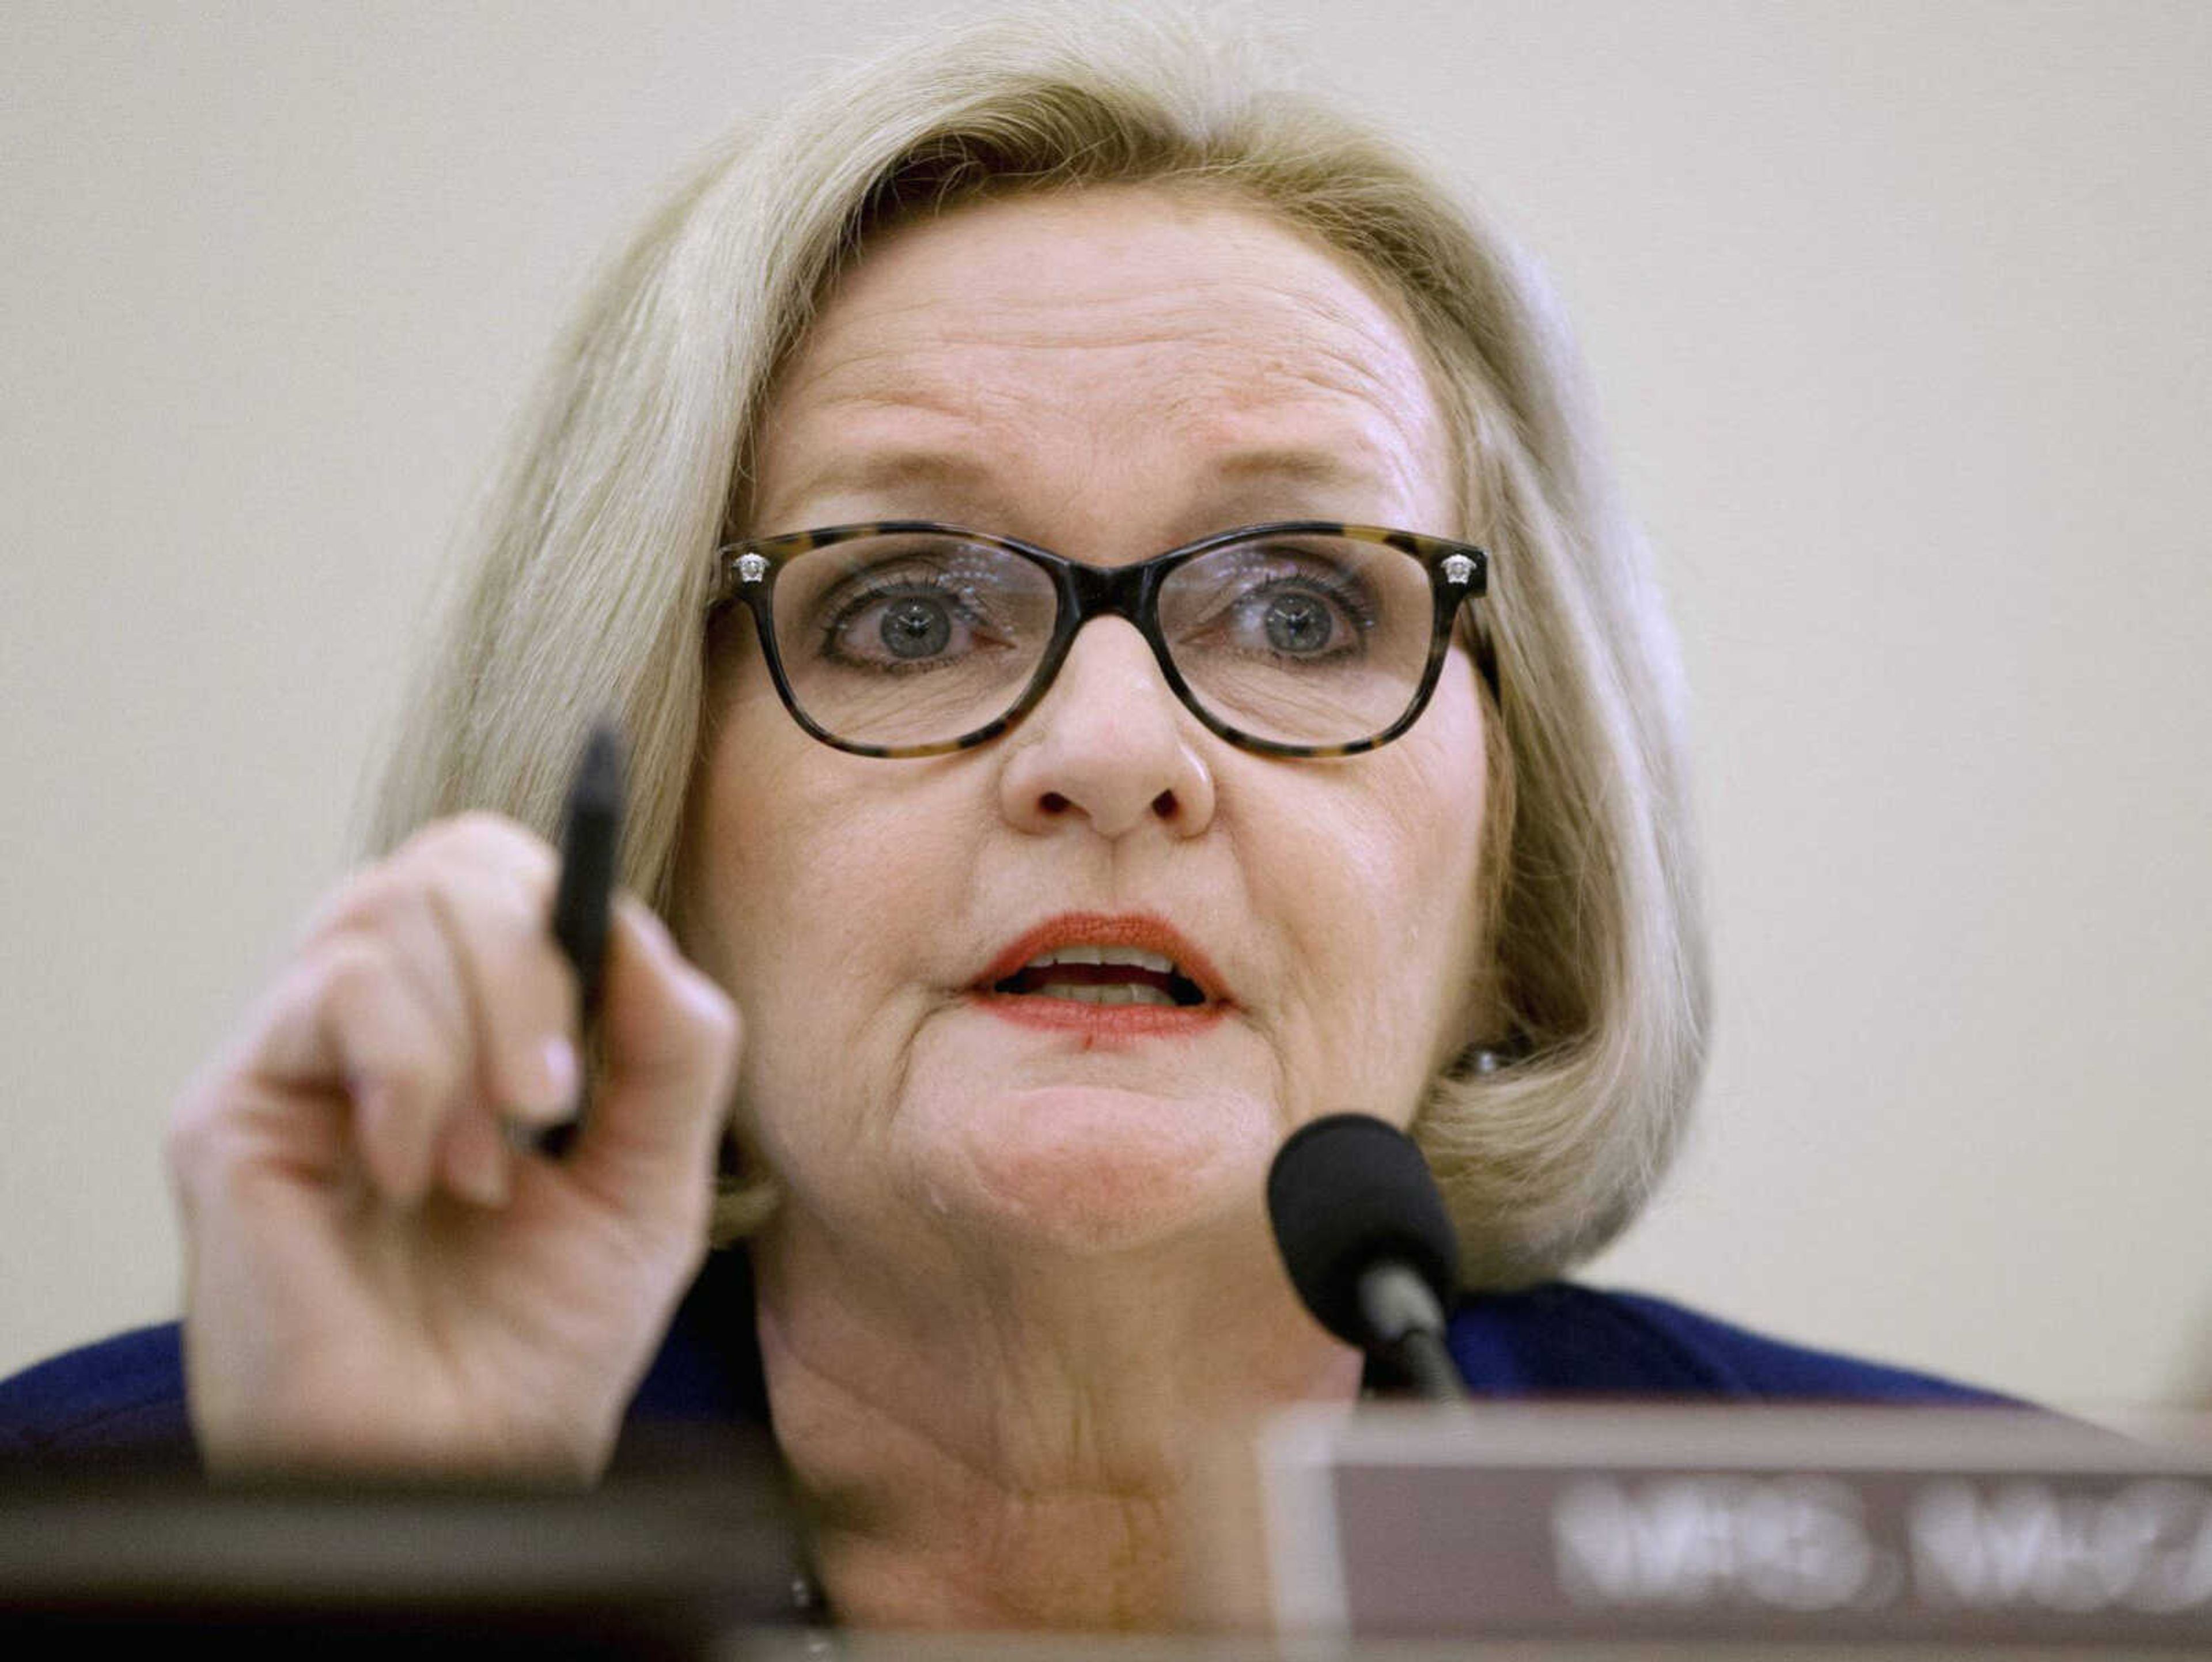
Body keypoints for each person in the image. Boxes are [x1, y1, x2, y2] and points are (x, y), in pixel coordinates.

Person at [0, 6, 2005, 1631]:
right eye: (909, 610)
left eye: (1306, 607)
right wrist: (389, 1589)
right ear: (658, 814)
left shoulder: (1968, 1591)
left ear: (1526, 850)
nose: (1114, 746)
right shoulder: (90, 1547)